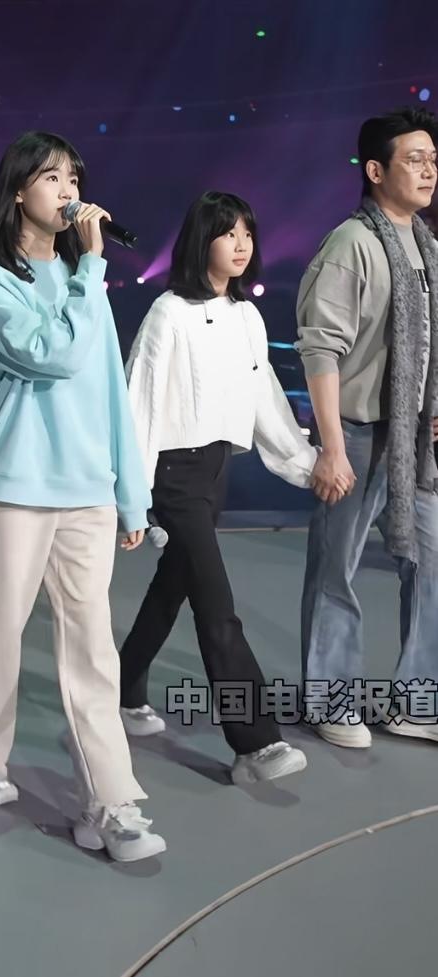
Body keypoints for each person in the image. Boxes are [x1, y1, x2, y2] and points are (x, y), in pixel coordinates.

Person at [0, 131, 165, 862]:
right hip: (18, 484)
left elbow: (110, 393)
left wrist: (131, 496)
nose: (69, 190)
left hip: (87, 490)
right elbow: (54, 355)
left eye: (74, 177)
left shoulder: (84, 281)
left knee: (93, 647)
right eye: (51, 177)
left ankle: (111, 803)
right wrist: (91, 267)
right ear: (18, 191)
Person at [120, 191, 313, 785]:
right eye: (228, 233)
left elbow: (264, 397)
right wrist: (133, 497)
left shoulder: (246, 316)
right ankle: (255, 744)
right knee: (217, 606)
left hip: (215, 470)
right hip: (173, 476)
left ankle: (121, 690)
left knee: (173, 589)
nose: (241, 244)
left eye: (247, 233)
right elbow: (139, 403)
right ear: (201, 239)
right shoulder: (169, 313)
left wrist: (304, 463)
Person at [297, 107, 438, 748]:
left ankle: (417, 703)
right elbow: (320, 348)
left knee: (432, 564)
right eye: (414, 159)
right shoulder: (351, 243)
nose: (428, 170)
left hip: (413, 440)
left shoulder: (426, 243)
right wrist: (331, 447)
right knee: (337, 571)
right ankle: (331, 701)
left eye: (433, 159)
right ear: (376, 171)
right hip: (356, 433)